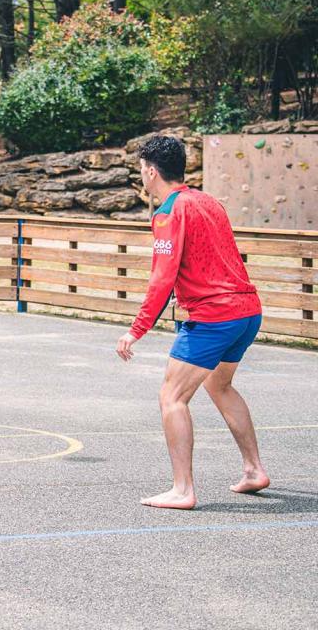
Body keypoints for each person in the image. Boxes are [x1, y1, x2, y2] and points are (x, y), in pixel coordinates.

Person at [116, 135, 269, 509]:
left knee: (172, 396)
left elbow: (162, 278)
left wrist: (136, 330)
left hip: (214, 317)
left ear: (151, 171)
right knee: (220, 385)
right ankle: (254, 470)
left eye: (141, 170)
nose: (142, 176)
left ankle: (182, 490)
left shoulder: (168, 212)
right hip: (247, 311)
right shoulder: (209, 202)